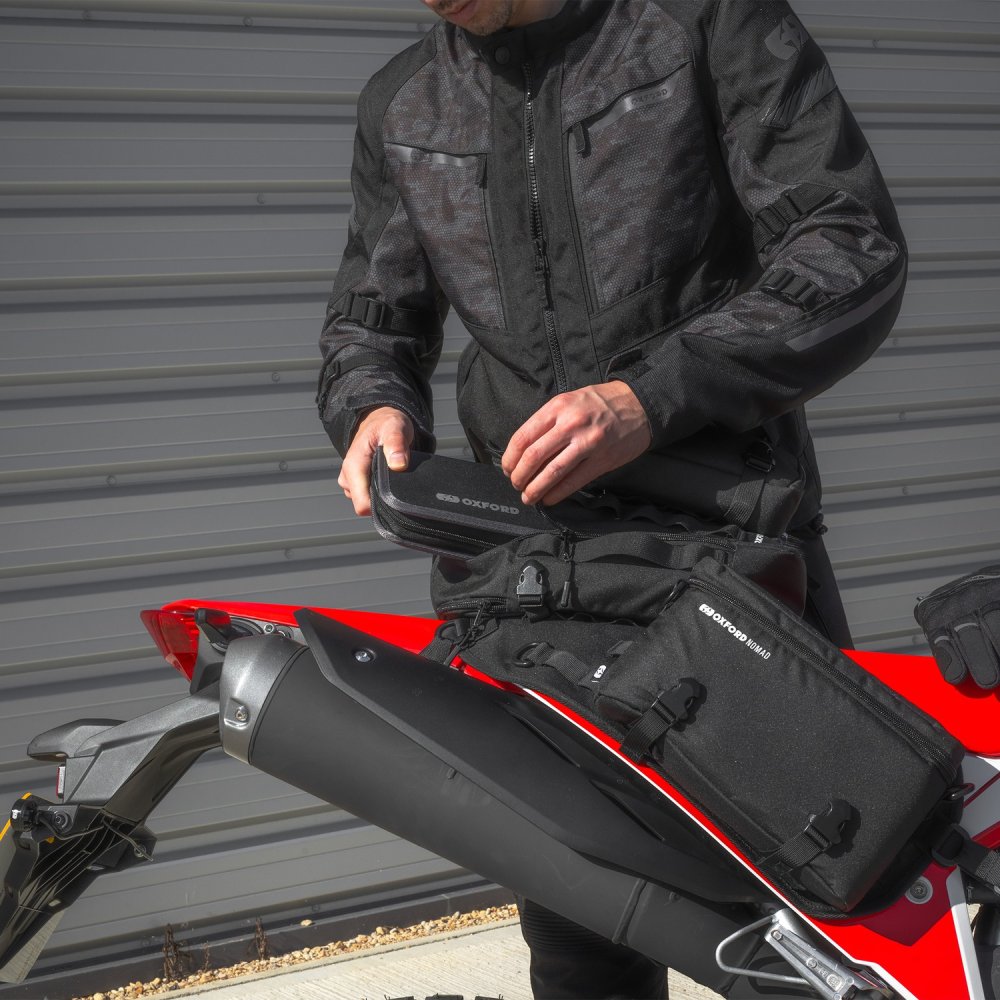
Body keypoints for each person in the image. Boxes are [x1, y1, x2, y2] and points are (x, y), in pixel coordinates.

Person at [316, 1, 907, 996]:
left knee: (807, 935)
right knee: (582, 939)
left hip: (727, 561)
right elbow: (372, 320)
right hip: (532, 585)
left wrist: (650, 397)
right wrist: (371, 403)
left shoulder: (703, 25)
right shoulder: (407, 100)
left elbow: (848, 245)